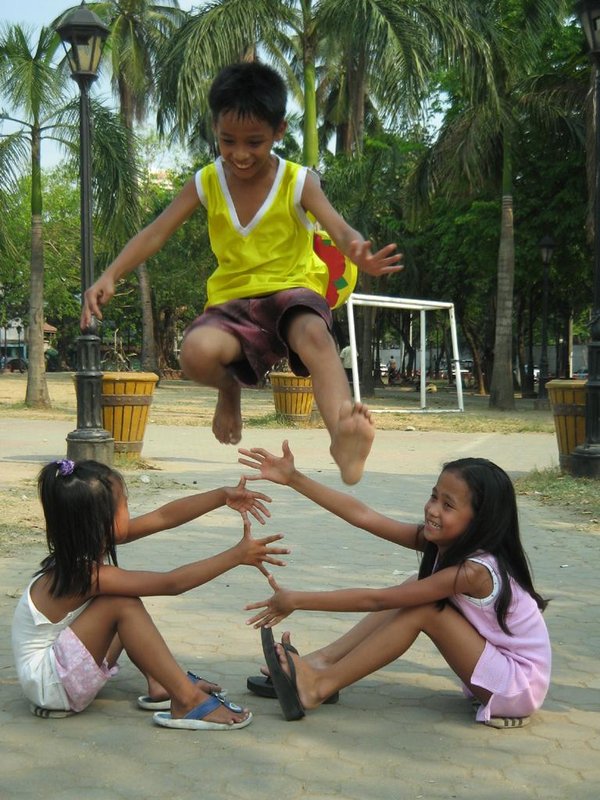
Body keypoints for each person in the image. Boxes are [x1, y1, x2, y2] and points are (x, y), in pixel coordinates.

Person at [80, 61, 402, 486]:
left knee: (315, 337)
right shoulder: (207, 181)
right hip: (232, 304)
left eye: (255, 141)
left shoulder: (297, 181)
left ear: (279, 132)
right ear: (214, 127)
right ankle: (229, 390)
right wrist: (111, 273)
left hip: (291, 291)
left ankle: (342, 435)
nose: (240, 154)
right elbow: (156, 232)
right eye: (228, 140)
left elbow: (339, 227)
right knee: (194, 354)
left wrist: (356, 249)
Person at [239, 441, 551, 728]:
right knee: (418, 583)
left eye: (448, 505)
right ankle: (322, 662)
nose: (432, 509)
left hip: (516, 686)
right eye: (433, 496)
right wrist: (294, 478)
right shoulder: (445, 544)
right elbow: (362, 516)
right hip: (495, 672)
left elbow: (378, 601)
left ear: (480, 520)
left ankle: (319, 685)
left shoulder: (476, 571)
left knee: (425, 607)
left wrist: (297, 600)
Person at [11, 458, 289, 731]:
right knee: (122, 604)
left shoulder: (80, 553)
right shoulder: (87, 576)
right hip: (51, 688)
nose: (129, 512)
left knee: (119, 601)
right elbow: (172, 583)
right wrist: (237, 555)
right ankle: (187, 699)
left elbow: (163, 517)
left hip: (54, 678)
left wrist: (222, 496)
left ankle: (161, 683)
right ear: (100, 520)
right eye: (125, 505)